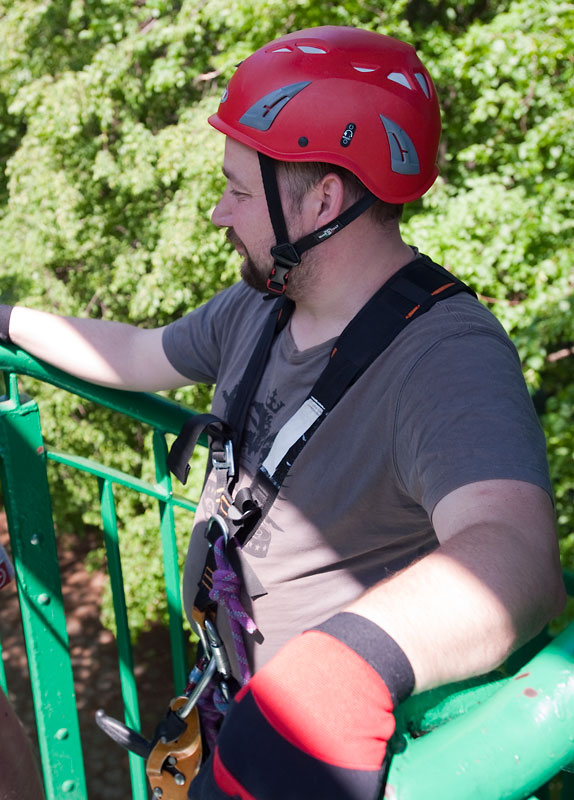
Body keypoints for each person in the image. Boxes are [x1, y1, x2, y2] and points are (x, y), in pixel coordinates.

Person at [0, 25, 565, 800]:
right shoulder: (262, 306)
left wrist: (343, 669)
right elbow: (137, 354)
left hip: (321, 761)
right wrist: (6, 322)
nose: (219, 214)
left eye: (238, 191)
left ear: (323, 200)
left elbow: (517, 554)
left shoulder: (445, 356)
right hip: (237, 712)